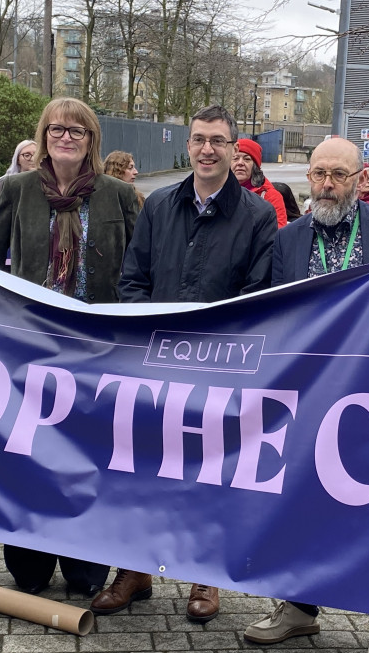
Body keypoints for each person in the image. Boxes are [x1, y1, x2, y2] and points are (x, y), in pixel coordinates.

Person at [248, 136, 369, 653]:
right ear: (309, 175)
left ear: (360, 177)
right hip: (306, 394)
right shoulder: (287, 238)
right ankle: (299, 607)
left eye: (339, 175)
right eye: (319, 173)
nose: (327, 184)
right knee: (298, 499)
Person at [117, 104, 277, 623]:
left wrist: (211, 348)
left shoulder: (257, 216)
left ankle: (203, 576)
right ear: (188, 144)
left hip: (218, 371)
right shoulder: (159, 205)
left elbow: (258, 297)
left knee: (209, 475)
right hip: (156, 364)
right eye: (199, 139)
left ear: (234, 149)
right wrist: (154, 336)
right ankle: (134, 570)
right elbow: (133, 282)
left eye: (218, 141)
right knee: (143, 472)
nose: (207, 149)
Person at [0, 97, 138, 597]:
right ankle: (29, 562)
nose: (65, 137)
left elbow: (136, 270)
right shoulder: (17, 190)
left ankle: (85, 567)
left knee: (89, 460)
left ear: (92, 140)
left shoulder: (118, 195)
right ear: (43, 137)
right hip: (33, 349)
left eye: (77, 131)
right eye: (56, 130)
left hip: (97, 350)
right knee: (29, 453)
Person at [0, 139, 38, 222]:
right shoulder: (2, 184)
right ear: (17, 159)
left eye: (37, 154)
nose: (33, 159)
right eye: (27, 155)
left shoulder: (49, 183)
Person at [232, 138, 287, 227]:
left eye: (247, 159)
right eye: (235, 158)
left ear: (255, 166)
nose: (240, 163)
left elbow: (277, 233)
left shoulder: (271, 197)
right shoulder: (218, 190)